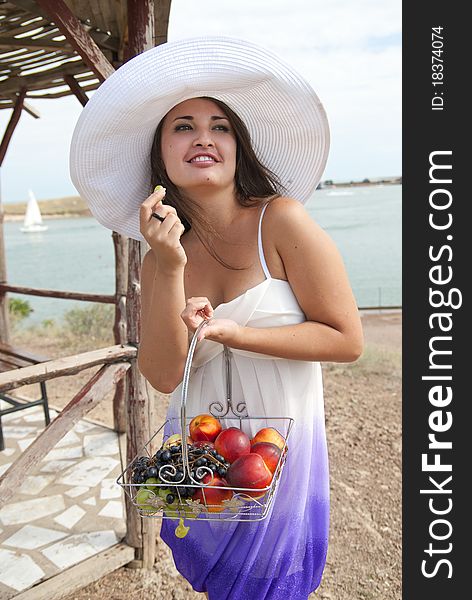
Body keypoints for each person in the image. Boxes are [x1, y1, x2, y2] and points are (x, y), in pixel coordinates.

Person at [70, 37, 363, 600]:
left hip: (283, 450)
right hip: (204, 457)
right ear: (160, 157)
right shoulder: (159, 257)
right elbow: (160, 373)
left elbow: (346, 338)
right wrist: (173, 264)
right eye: (183, 126)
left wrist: (236, 332)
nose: (203, 136)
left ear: (238, 147)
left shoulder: (281, 221)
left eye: (219, 126)